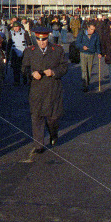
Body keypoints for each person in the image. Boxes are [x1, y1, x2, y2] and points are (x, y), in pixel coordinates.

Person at [20, 27, 69, 158]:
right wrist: (31, 73)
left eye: (45, 40)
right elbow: (24, 68)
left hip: (53, 89)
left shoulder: (57, 50)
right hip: (36, 90)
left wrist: (54, 72)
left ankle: (53, 133)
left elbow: (64, 67)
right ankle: (38, 145)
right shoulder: (29, 51)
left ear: (48, 38)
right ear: (36, 39)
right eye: (39, 40)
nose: (42, 42)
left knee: (53, 117)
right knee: (37, 117)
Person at [74, 21, 101, 92]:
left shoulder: (96, 35)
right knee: (84, 69)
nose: (92, 31)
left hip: (91, 53)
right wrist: (82, 46)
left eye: (93, 29)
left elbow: (97, 44)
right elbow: (77, 43)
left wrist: (99, 52)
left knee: (89, 69)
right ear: (88, 28)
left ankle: (87, 82)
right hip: (83, 53)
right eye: (91, 29)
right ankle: (85, 85)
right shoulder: (82, 33)